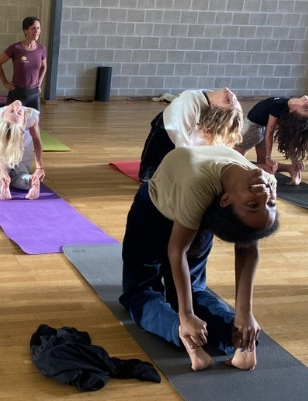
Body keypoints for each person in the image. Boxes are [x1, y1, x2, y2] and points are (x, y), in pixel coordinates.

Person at [119, 145, 279, 372]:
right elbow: (179, 251)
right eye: (265, 204)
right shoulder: (266, 183)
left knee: (141, 293)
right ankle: (208, 334)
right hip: (166, 213)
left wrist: (244, 315)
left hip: (176, 216)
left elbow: (245, 247)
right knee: (187, 294)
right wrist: (187, 314)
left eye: (257, 205)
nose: (265, 195)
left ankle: (220, 338)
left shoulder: (209, 186)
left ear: (226, 200)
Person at [138, 88, 243, 182]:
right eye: (234, 100)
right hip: (167, 131)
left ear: (213, 106)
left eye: (227, 101)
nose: (232, 95)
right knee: (146, 178)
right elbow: (181, 148)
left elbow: (220, 149)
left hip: (194, 138)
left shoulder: (219, 116)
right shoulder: (189, 100)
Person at [234, 96, 308, 185]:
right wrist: (294, 160)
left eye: (306, 108)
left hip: (252, 131)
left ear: (292, 110)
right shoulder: (287, 107)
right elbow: (282, 134)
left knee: (233, 163)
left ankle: (252, 173)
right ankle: (290, 168)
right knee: (264, 165)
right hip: (263, 131)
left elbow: (270, 133)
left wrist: (268, 157)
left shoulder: (278, 105)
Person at [0, 100, 45, 200]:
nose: (16, 107)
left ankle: (2, 182)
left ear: (24, 120)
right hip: (11, 147)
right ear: (3, 114)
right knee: (20, 174)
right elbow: (2, 145)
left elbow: (36, 140)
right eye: (12, 111)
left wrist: (39, 167)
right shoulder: (32, 115)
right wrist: (3, 170)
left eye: (19, 113)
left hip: (24, 147)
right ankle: (30, 181)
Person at [0, 16, 47, 111]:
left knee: (34, 121)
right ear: (25, 30)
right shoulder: (15, 48)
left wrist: (39, 82)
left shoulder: (41, 49)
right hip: (17, 93)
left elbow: (44, 66)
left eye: (38, 28)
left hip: (34, 94)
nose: (37, 31)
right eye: (33, 28)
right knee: (12, 121)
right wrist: (5, 83)